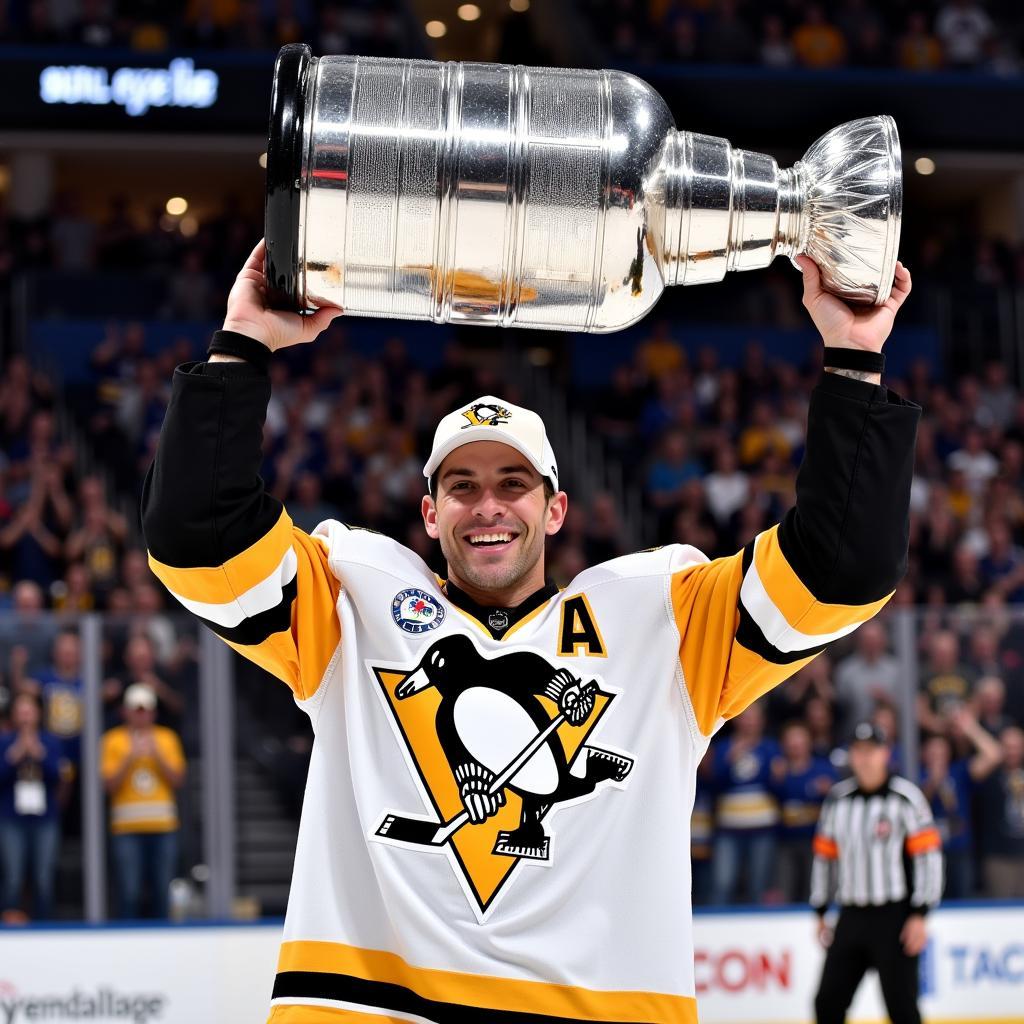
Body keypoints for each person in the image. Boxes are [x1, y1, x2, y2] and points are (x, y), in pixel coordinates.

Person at [141, 238, 917, 1021]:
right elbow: (199, 541)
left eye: (514, 485)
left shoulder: (664, 618)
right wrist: (245, 341)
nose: (487, 507)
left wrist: (853, 359)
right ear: (430, 512)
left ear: (555, 510)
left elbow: (839, 575)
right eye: (462, 486)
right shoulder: (350, 601)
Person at [811, 722, 943, 1024]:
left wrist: (920, 913)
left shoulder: (906, 798)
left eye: (871, 750)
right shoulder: (838, 800)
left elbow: (929, 859)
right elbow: (824, 857)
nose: (865, 757)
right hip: (851, 915)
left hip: (894, 917)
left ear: (885, 753)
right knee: (827, 1003)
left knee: (902, 1008)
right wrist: (820, 909)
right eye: (858, 751)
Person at [99, 683, 186, 918]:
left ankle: (163, 940)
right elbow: (108, 785)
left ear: (153, 712)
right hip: (126, 828)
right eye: (136, 710)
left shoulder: (166, 738)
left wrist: (156, 755)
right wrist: (129, 757)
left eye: (145, 710)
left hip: (163, 826)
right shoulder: (113, 740)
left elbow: (178, 779)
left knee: (162, 889)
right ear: (125, 711)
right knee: (129, 891)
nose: (141, 715)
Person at [920, 707, 1002, 898]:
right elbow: (918, 804)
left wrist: (970, 727)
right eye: (932, 751)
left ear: (949, 752)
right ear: (924, 753)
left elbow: (994, 754)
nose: (937, 755)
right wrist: (932, 783)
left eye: (941, 750)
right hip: (930, 852)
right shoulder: (916, 773)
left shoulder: (959, 771)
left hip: (960, 850)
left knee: (964, 901)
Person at [0, 693, 63, 922]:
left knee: (43, 877)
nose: (25, 715)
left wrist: (38, 753)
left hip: (44, 818)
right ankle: (10, 926)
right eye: (21, 710)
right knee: (13, 876)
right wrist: (15, 754)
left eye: (30, 710)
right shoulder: (5, 741)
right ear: (14, 715)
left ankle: (44, 925)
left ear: (38, 713)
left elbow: (58, 776)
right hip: (11, 818)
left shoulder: (50, 741)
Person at [770, 720, 837, 902]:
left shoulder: (823, 768)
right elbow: (774, 800)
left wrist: (828, 791)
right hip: (786, 840)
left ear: (808, 741)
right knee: (786, 886)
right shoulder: (778, 769)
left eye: (799, 738)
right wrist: (776, 781)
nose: (795, 744)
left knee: (814, 886)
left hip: (815, 839)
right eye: (791, 740)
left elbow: (836, 797)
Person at [978, 725, 1024, 897]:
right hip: (998, 858)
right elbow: (977, 770)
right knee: (1001, 911)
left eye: (1016, 747)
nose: (1012, 752)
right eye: (1008, 747)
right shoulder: (991, 774)